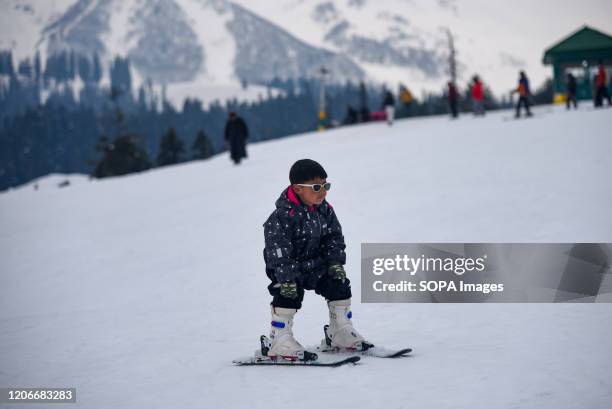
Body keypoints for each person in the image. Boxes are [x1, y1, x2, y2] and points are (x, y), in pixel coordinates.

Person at [262, 159, 371, 360]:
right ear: (298, 189)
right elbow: (277, 251)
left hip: (316, 266)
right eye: (316, 187)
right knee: (289, 294)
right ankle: (279, 339)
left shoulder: (325, 210)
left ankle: (340, 331)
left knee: (338, 284)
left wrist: (335, 262)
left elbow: (334, 237)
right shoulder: (281, 217)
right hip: (288, 269)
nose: (323, 191)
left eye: (325, 185)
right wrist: (286, 277)